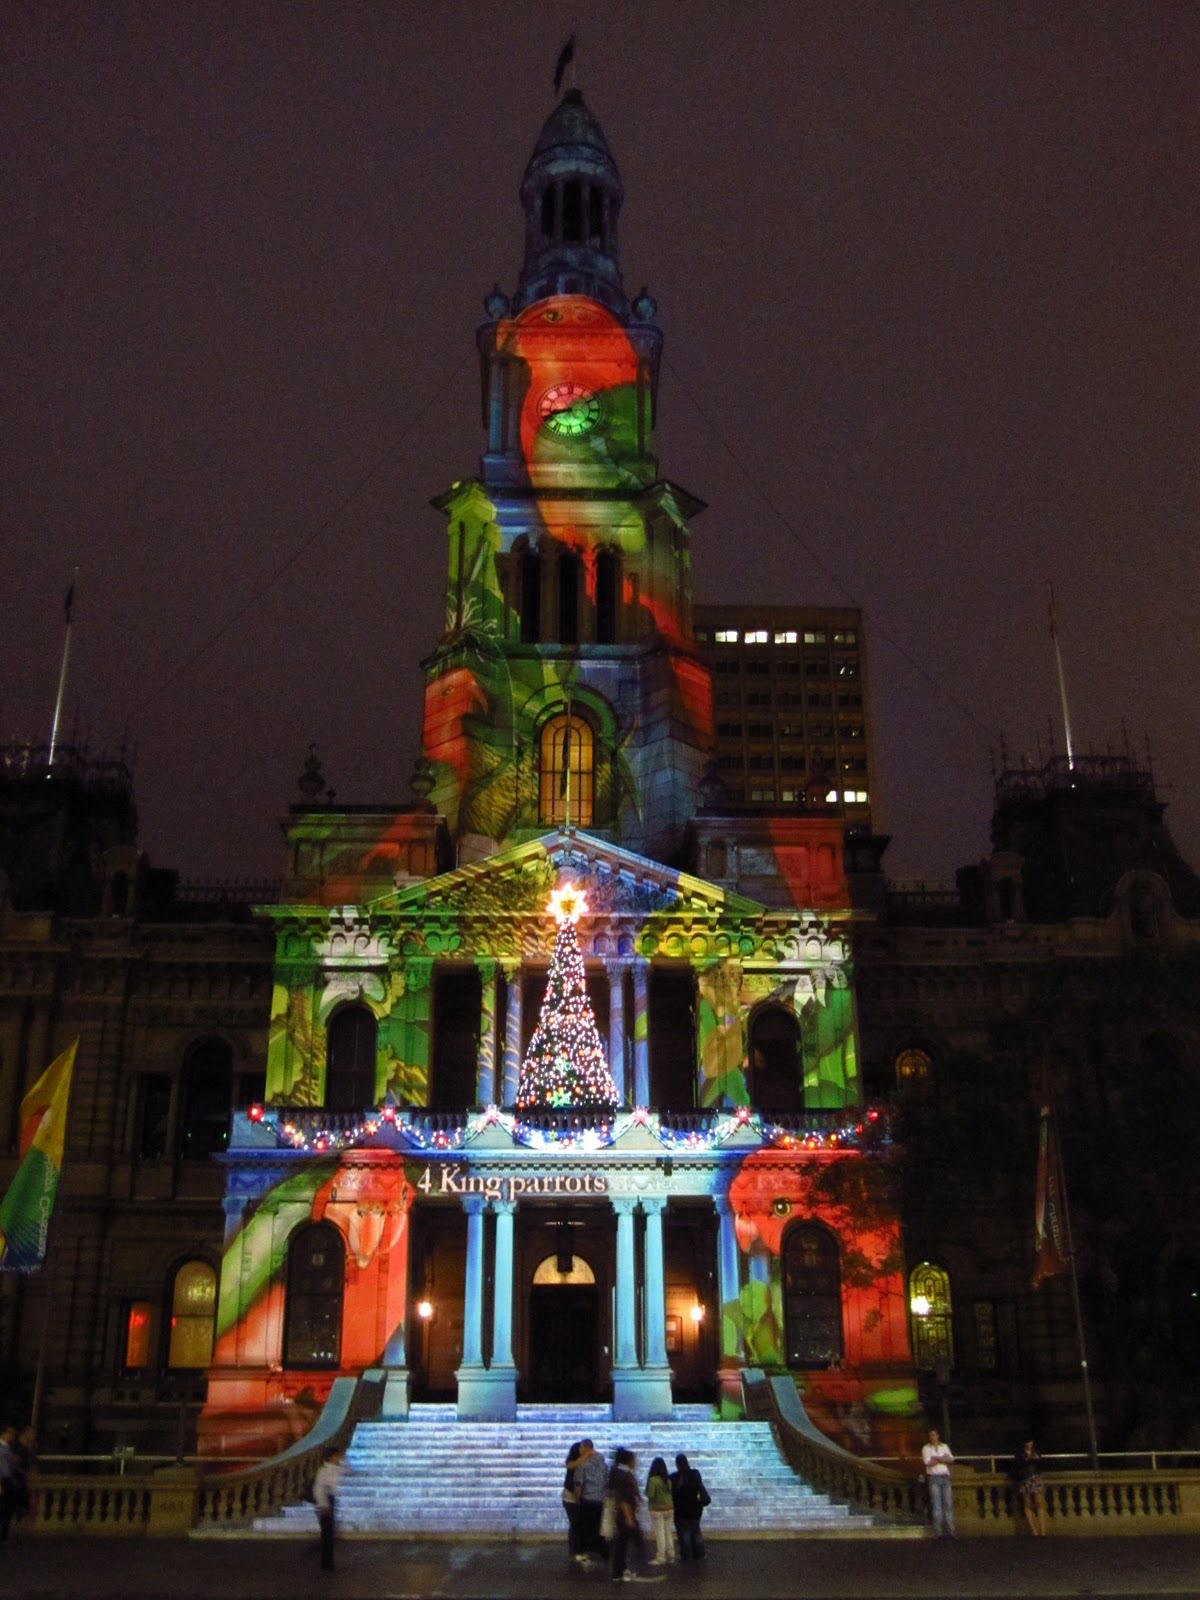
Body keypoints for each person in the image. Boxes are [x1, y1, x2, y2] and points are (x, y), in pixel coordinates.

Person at [608, 1446, 658, 1583]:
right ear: (628, 1461)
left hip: (623, 1515)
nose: (636, 1462)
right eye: (634, 1459)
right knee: (625, 1544)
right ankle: (620, 1572)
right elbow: (624, 1499)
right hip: (625, 1515)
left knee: (623, 1544)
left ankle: (621, 1570)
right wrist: (629, 1517)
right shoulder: (623, 1475)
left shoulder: (616, 1472)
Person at [670, 1451, 710, 1562]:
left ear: (677, 1464)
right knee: (696, 1532)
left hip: (680, 1511)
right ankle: (699, 1554)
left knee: (684, 1534)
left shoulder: (674, 1477)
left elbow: (673, 1493)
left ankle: (686, 1555)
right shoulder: (695, 1474)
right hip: (695, 1509)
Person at [573, 1438, 609, 1564]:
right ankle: (603, 1551)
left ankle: (582, 1551)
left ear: (587, 1448)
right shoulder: (603, 1463)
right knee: (598, 1527)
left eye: (581, 1447)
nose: (579, 1449)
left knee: (584, 1528)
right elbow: (606, 1481)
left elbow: (579, 1484)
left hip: (587, 1500)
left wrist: (577, 1499)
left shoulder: (583, 1464)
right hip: (599, 1500)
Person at [311, 1447, 345, 1572]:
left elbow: (347, 1470)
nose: (339, 1458)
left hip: (331, 1498)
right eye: (337, 1456)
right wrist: (323, 1504)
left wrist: (344, 1460)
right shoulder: (324, 1470)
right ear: (331, 1457)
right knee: (327, 1534)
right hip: (326, 1500)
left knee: (329, 1534)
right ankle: (326, 1564)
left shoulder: (335, 1469)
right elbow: (318, 1489)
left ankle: (329, 1563)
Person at [922, 1428, 955, 1539]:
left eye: (934, 1435)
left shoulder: (944, 1446)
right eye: (930, 1435)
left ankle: (951, 1532)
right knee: (937, 1506)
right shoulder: (926, 1448)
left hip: (945, 1477)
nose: (932, 1437)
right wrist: (942, 1459)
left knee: (948, 1505)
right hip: (934, 1478)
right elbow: (928, 1462)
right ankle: (938, 1533)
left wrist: (937, 1459)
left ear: (937, 1436)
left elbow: (951, 1459)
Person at [1013, 1438, 1048, 1536]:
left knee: (1039, 1503)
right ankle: (1034, 1531)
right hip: (1025, 1478)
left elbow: (1042, 1465)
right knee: (1027, 1503)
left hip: (1036, 1478)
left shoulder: (1036, 1452)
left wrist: (1038, 1459)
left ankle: (1043, 1530)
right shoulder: (1020, 1454)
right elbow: (1017, 1465)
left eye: (1031, 1441)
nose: (1030, 1444)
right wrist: (1028, 1459)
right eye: (1028, 1442)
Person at [644, 1456, 675, 1565]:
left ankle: (661, 1557)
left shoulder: (653, 1480)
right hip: (670, 1508)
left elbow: (650, 1495)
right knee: (667, 1532)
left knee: (659, 1534)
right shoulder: (668, 1480)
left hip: (657, 1510)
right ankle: (671, 1553)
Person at [563, 1439, 586, 1563]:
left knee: (576, 1525)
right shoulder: (573, 1463)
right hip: (571, 1498)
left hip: (572, 1497)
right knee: (576, 1525)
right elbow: (572, 1466)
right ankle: (577, 1551)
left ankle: (577, 1550)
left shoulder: (581, 1464)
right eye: (582, 1449)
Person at [0, 1427, 18, 1544]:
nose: (12, 1436)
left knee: (7, 1508)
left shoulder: (7, 1447)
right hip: (2, 1480)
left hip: (7, 1479)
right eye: (10, 1433)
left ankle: (4, 1535)